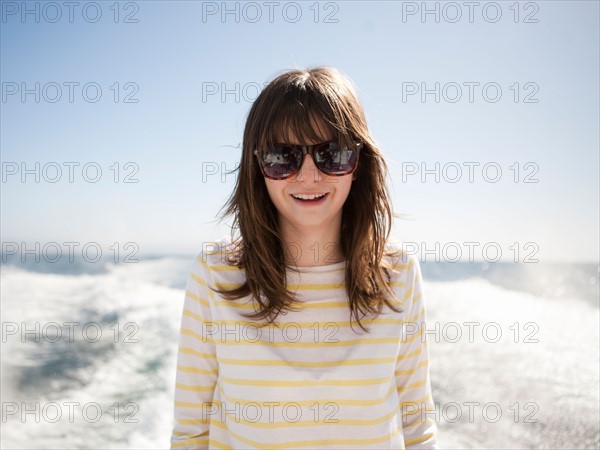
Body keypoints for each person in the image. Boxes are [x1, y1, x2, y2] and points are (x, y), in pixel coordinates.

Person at [170, 66, 438, 449]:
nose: (309, 176)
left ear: (359, 162)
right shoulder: (215, 274)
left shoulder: (400, 273)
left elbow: (418, 428)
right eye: (284, 156)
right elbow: (191, 432)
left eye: (333, 154)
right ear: (257, 166)